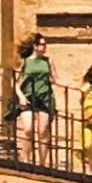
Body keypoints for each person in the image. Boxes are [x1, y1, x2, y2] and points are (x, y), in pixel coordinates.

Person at [13, 34, 55, 165]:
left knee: (43, 131)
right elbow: (14, 82)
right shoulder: (24, 61)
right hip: (28, 97)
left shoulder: (48, 61)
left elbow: (55, 78)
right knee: (28, 129)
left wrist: (67, 84)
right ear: (35, 46)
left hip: (44, 98)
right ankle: (25, 159)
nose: (45, 47)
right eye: (42, 44)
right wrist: (21, 97)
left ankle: (42, 163)